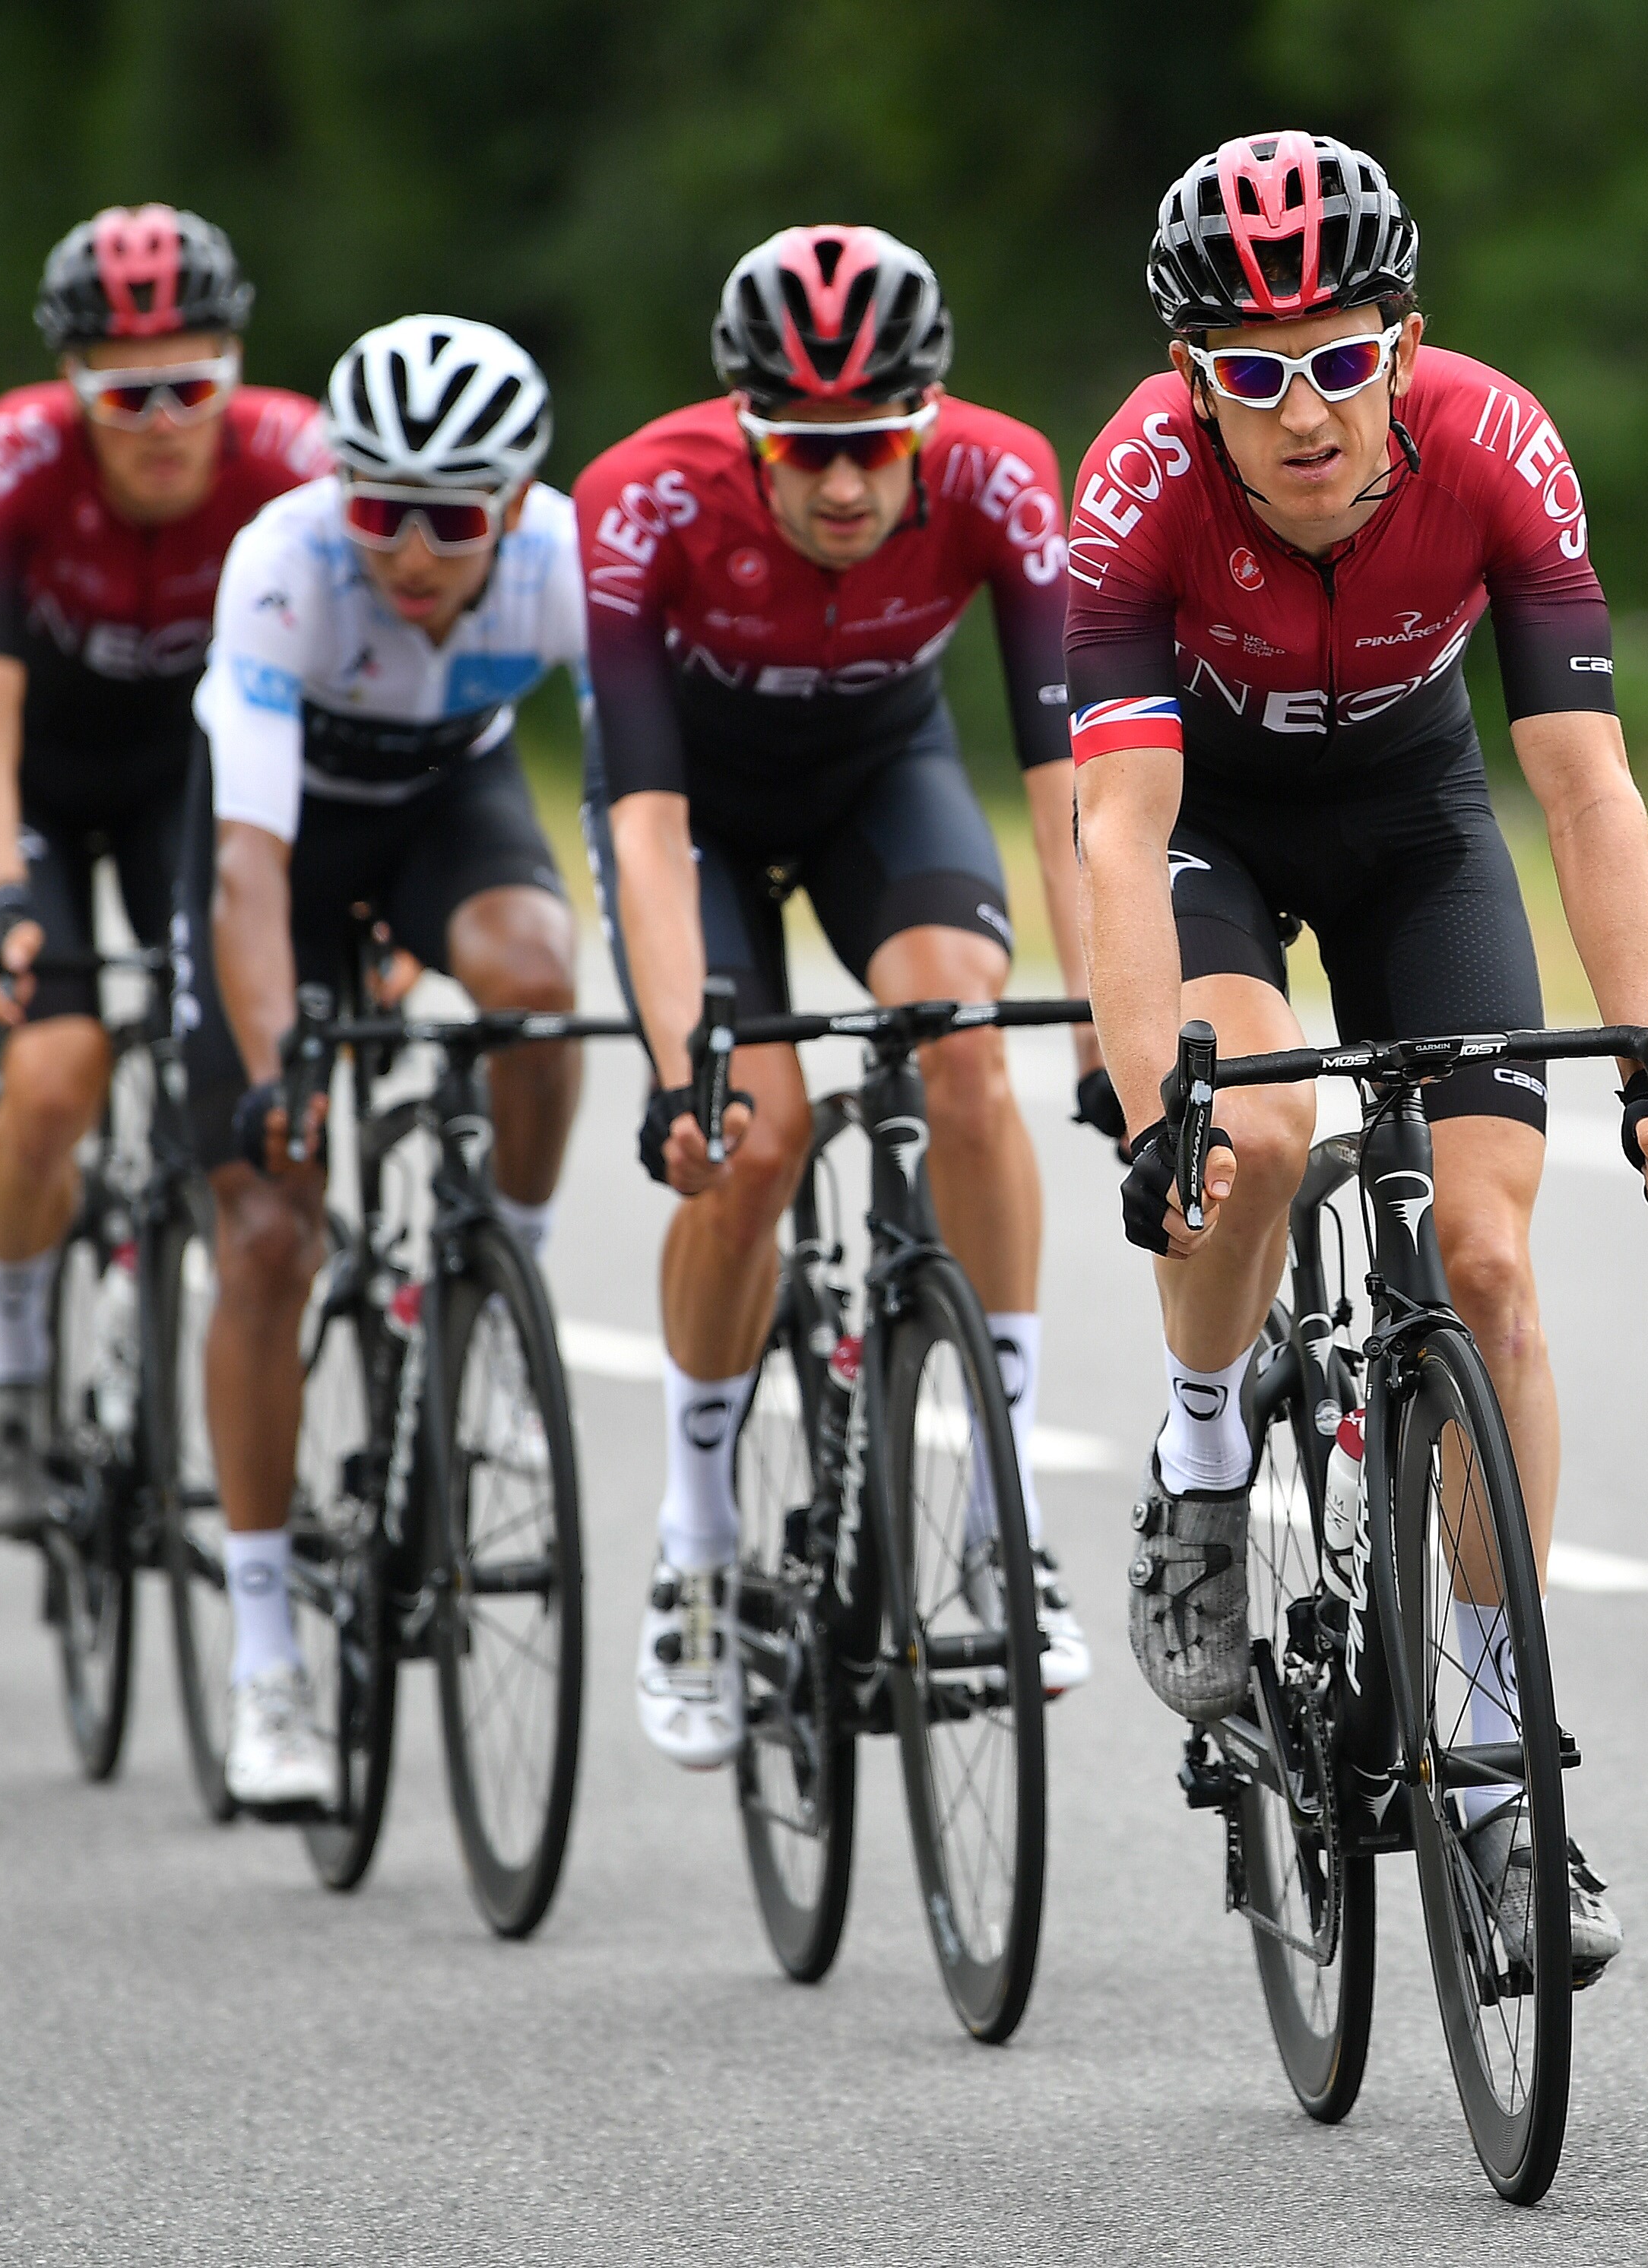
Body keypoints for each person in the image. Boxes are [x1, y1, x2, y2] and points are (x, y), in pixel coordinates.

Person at [1067, 129, 1648, 1988]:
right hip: (1211, 826)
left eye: (1344, 356)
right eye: (1254, 372)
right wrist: (1155, 1105)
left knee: (1494, 1264)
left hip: (1415, 816)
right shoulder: (1132, 487)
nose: (1304, 410)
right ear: (1195, 382)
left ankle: (1502, 1760)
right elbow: (1117, 831)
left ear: (1408, 342)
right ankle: (1206, 1477)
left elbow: (1587, 783)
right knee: (1263, 1136)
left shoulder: (1504, 446)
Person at [585, 223, 1100, 1769]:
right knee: (754, 1132)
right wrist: (686, 1067)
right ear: (746, 427)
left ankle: (1002, 1507)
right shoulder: (640, 494)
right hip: (700, 814)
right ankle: (691, 1549)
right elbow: (641, 830)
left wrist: (1103, 1018)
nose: (840, 485)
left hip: (886, 777)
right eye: (802, 450)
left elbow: (1069, 778)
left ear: (925, 419)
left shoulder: (1006, 477)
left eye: (873, 446)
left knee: (963, 1043)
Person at [182, 316, 583, 1812]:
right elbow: (247, 866)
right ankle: (267, 1657)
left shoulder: (564, 564)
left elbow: (631, 805)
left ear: (518, 503)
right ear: (338, 494)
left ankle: (502, 1271)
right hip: (278, 838)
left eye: (453, 516)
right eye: (381, 509)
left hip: (444, 804)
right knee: (271, 1222)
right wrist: (283, 1069)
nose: (412, 550)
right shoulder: (285, 564)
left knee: (540, 981)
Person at [0, 204, 330, 1537]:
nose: (164, 419)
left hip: (192, 778)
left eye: (193, 383)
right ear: (71, 387)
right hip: (45, 776)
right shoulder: (17, 461)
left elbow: (337, 704)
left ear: (236, 369)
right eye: (127, 391)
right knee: (51, 1071)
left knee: (228, 1076)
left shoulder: (294, 458)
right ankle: (5, 1365)